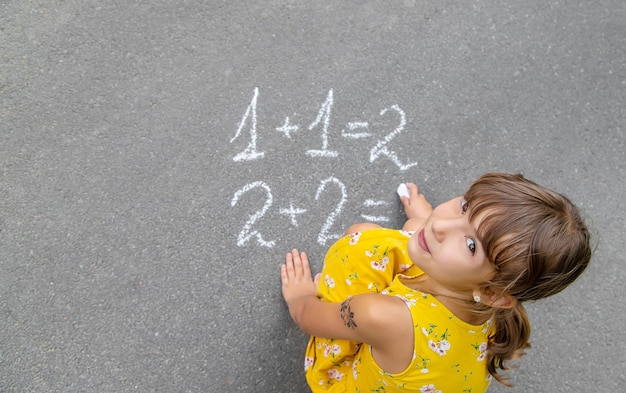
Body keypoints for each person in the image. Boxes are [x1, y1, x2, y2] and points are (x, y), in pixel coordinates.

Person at [280, 173, 591, 392]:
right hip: (428, 359)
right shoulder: (489, 301)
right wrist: (424, 220)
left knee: (360, 240)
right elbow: (439, 234)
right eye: (465, 206)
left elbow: (308, 318)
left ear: (494, 294)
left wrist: (301, 297)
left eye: (471, 245)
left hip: (350, 379)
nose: (442, 224)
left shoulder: (382, 316)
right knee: (413, 237)